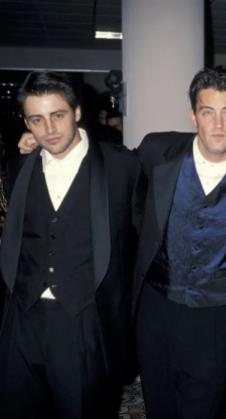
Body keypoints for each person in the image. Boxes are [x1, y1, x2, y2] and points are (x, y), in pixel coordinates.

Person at [132, 66, 226, 419]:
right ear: (193, 115)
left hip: (219, 313)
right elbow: (116, 183)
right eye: (207, 112)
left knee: (206, 408)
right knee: (159, 406)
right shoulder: (156, 151)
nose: (218, 124)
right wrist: (43, 147)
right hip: (157, 307)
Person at [0, 71, 141, 419]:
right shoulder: (19, 166)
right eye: (37, 119)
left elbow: (140, 241)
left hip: (83, 318)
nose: (48, 128)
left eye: (58, 115)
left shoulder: (122, 167)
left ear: (77, 112)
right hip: (23, 317)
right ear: (26, 123)